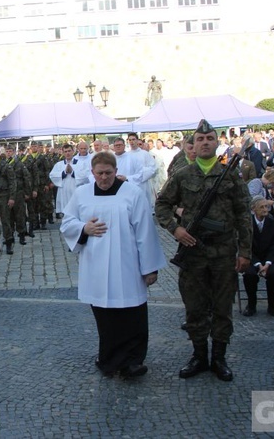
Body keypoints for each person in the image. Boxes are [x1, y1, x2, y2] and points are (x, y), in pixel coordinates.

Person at [155, 119, 252, 382]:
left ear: (217, 142)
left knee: (222, 308)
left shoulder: (230, 175)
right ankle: (199, 355)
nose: (205, 143)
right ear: (192, 146)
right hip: (193, 253)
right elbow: (162, 205)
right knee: (195, 308)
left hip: (223, 253)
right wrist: (175, 229)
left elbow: (244, 214)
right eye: (200, 139)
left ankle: (219, 358)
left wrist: (245, 252)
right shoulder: (182, 176)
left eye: (210, 139)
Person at [60, 151, 166, 378]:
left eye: (109, 173)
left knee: (132, 314)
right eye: (100, 173)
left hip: (128, 264)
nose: (104, 178)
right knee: (106, 318)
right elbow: (67, 222)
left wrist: (149, 268)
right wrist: (83, 228)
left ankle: (133, 361)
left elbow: (145, 232)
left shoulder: (133, 193)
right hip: (95, 264)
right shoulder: (82, 194)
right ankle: (108, 360)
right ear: (92, 173)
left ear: (116, 172)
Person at [241, 196, 274, 317]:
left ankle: (273, 305)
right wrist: (258, 264)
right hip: (252, 258)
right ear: (253, 209)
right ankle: (251, 304)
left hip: (270, 259)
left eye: (267, 206)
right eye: (262, 207)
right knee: (249, 274)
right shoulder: (246, 224)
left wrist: (267, 263)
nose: (265, 209)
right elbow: (246, 246)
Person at [49, 144, 87, 218]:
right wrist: (64, 173)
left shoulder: (81, 163)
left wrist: (73, 172)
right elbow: (52, 175)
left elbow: (85, 176)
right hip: (64, 192)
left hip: (76, 191)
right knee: (65, 213)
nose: (67, 153)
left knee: (77, 213)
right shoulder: (59, 164)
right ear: (63, 153)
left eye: (69, 151)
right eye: (65, 151)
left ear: (73, 151)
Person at [5, 145, 33, 245]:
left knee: (20, 215)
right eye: (7, 151)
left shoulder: (19, 164)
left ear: (14, 152)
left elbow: (26, 177)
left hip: (18, 193)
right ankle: (10, 236)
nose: (8, 153)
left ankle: (22, 236)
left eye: (10, 151)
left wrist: (27, 192)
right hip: (7, 194)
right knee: (8, 217)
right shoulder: (3, 163)